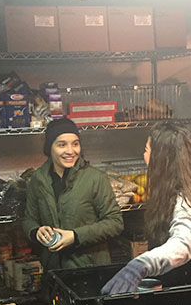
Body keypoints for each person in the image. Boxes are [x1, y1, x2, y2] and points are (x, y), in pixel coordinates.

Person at [101, 122, 191, 294]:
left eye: (146, 150)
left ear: (161, 159)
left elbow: (182, 243)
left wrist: (141, 264)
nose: (144, 156)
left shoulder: (184, 198)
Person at [22, 117, 123, 273]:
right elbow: (29, 218)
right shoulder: (38, 179)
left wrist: (75, 236)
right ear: (49, 148)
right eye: (62, 145)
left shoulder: (95, 179)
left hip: (89, 270)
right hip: (53, 270)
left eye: (75, 144)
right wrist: (36, 231)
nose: (70, 151)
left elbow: (115, 223)